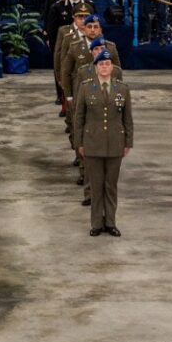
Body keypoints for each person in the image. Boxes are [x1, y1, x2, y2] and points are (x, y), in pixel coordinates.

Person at [72, 49, 132, 237]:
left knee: (111, 185)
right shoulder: (86, 87)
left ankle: (111, 222)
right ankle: (97, 223)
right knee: (96, 185)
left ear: (112, 67)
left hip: (115, 143)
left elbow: (127, 118)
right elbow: (79, 117)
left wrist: (128, 142)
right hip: (92, 143)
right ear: (96, 67)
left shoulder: (122, 88)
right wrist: (79, 143)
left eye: (108, 64)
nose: (105, 67)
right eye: (101, 64)